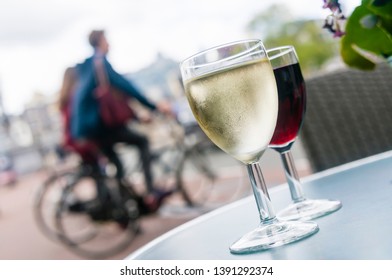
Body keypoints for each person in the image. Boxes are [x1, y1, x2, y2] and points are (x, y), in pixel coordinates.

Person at [70, 29, 173, 207]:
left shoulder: (86, 67)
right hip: (101, 126)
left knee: (117, 165)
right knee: (142, 141)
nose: (109, 43)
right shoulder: (100, 63)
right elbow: (126, 87)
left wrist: (136, 116)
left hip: (89, 128)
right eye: (107, 40)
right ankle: (150, 193)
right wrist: (154, 106)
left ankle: (123, 207)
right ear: (100, 41)